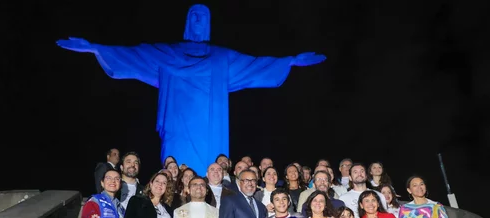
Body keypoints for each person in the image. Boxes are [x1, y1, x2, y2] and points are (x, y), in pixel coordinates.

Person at [56, 4, 325, 175]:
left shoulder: (222, 58)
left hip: (209, 129)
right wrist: (95, 48)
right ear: (187, 21)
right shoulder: (168, 53)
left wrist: (289, 61)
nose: (197, 21)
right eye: (193, 16)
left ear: (207, 23)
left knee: (211, 169)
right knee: (175, 167)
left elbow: (255, 66)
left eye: (202, 17)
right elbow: (135, 56)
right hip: (178, 125)